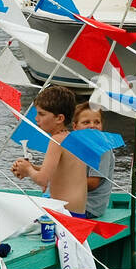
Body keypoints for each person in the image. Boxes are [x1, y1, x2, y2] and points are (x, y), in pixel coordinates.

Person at [11, 85, 87, 215]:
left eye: (41, 114)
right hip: (78, 213)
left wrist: (28, 170)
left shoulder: (56, 141)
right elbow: (60, 171)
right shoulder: (72, 139)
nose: (36, 118)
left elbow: (43, 180)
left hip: (65, 214)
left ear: (59, 118)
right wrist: (31, 166)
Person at [73, 103, 115, 219]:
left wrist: (62, 182)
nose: (92, 126)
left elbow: (92, 183)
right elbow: (55, 169)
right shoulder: (75, 146)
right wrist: (31, 167)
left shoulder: (101, 147)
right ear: (75, 126)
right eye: (86, 122)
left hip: (89, 207)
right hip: (72, 199)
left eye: (97, 122)